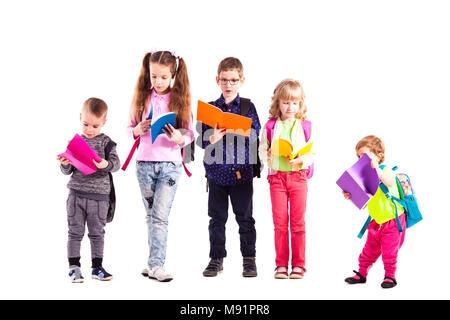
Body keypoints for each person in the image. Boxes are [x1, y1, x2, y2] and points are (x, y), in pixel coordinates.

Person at [127, 50, 194, 282]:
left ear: (173, 75)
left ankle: (157, 265)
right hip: (144, 164)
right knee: (150, 215)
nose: (158, 81)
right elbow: (129, 129)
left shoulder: (180, 98)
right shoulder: (141, 97)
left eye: (163, 77)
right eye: (154, 76)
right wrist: (137, 130)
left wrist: (179, 138)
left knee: (160, 216)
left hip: (170, 166)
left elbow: (190, 133)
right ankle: (152, 262)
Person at [199, 57, 261, 277]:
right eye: (224, 80)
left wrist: (239, 131)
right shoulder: (209, 109)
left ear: (241, 80)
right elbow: (200, 140)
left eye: (233, 80)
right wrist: (211, 138)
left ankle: (249, 259)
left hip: (241, 174)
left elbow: (256, 135)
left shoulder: (247, 107)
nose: (228, 84)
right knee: (216, 219)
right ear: (217, 79)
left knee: (245, 218)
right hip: (215, 174)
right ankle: (216, 259)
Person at [57, 97, 121, 283]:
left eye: (95, 125)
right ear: (80, 118)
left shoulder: (107, 143)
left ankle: (97, 267)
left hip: (100, 198)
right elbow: (67, 171)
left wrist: (104, 164)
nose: (90, 130)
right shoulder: (75, 142)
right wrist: (65, 164)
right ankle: (74, 268)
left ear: (103, 123)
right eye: (86, 124)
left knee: (97, 233)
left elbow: (116, 164)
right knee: (75, 232)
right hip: (76, 195)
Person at [258, 79, 315, 279]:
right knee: (280, 223)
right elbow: (261, 149)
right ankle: (281, 265)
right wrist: (268, 155)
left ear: (300, 104)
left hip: (298, 178)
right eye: (285, 102)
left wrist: (301, 159)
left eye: (295, 102)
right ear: (278, 103)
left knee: (298, 223)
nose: (290, 107)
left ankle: (299, 265)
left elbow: (312, 153)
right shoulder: (271, 125)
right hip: (277, 179)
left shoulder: (305, 126)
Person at [343, 135, 406, 289]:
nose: (360, 159)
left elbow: (389, 182)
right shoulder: (363, 177)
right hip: (376, 221)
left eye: (364, 156)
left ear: (379, 156)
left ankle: (390, 276)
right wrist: (350, 197)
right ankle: (361, 273)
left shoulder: (385, 170)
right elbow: (363, 204)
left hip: (392, 220)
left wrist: (376, 168)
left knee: (389, 252)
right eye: (358, 156)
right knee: (368, 250)